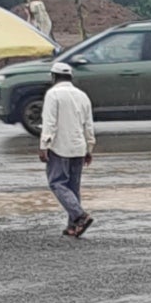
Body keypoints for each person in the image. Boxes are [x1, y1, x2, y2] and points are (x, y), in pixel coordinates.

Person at [38, 55, 95, 237]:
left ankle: (80, 216)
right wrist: (89, 148)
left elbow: (50, 123)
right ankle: (73, 226)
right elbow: (88, 124)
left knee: (57, 183)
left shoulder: (53, 94)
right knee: (72, 187)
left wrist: (44, 145)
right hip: (79, 147)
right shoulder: (82, 95)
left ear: (53, 77)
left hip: (59, 147)